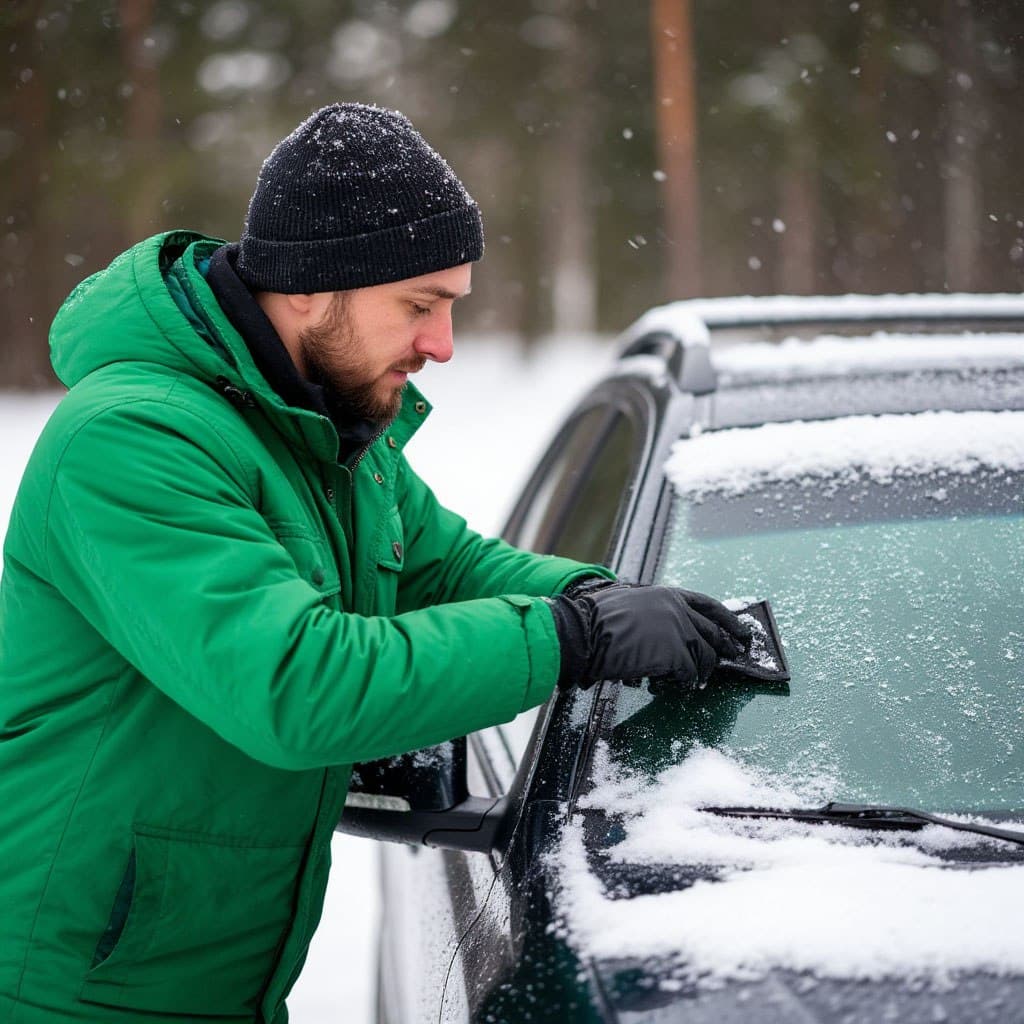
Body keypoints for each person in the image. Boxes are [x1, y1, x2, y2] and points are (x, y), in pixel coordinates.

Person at [0, 103, 749, 1023]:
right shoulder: (130, 440)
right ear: (313, 287)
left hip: (209, 975)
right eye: (419, 305)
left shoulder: (324, 427)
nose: (441, 344)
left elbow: (444, 566)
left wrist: (601, 595)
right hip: (71, 986)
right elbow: (297, 685)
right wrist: (575, 633)